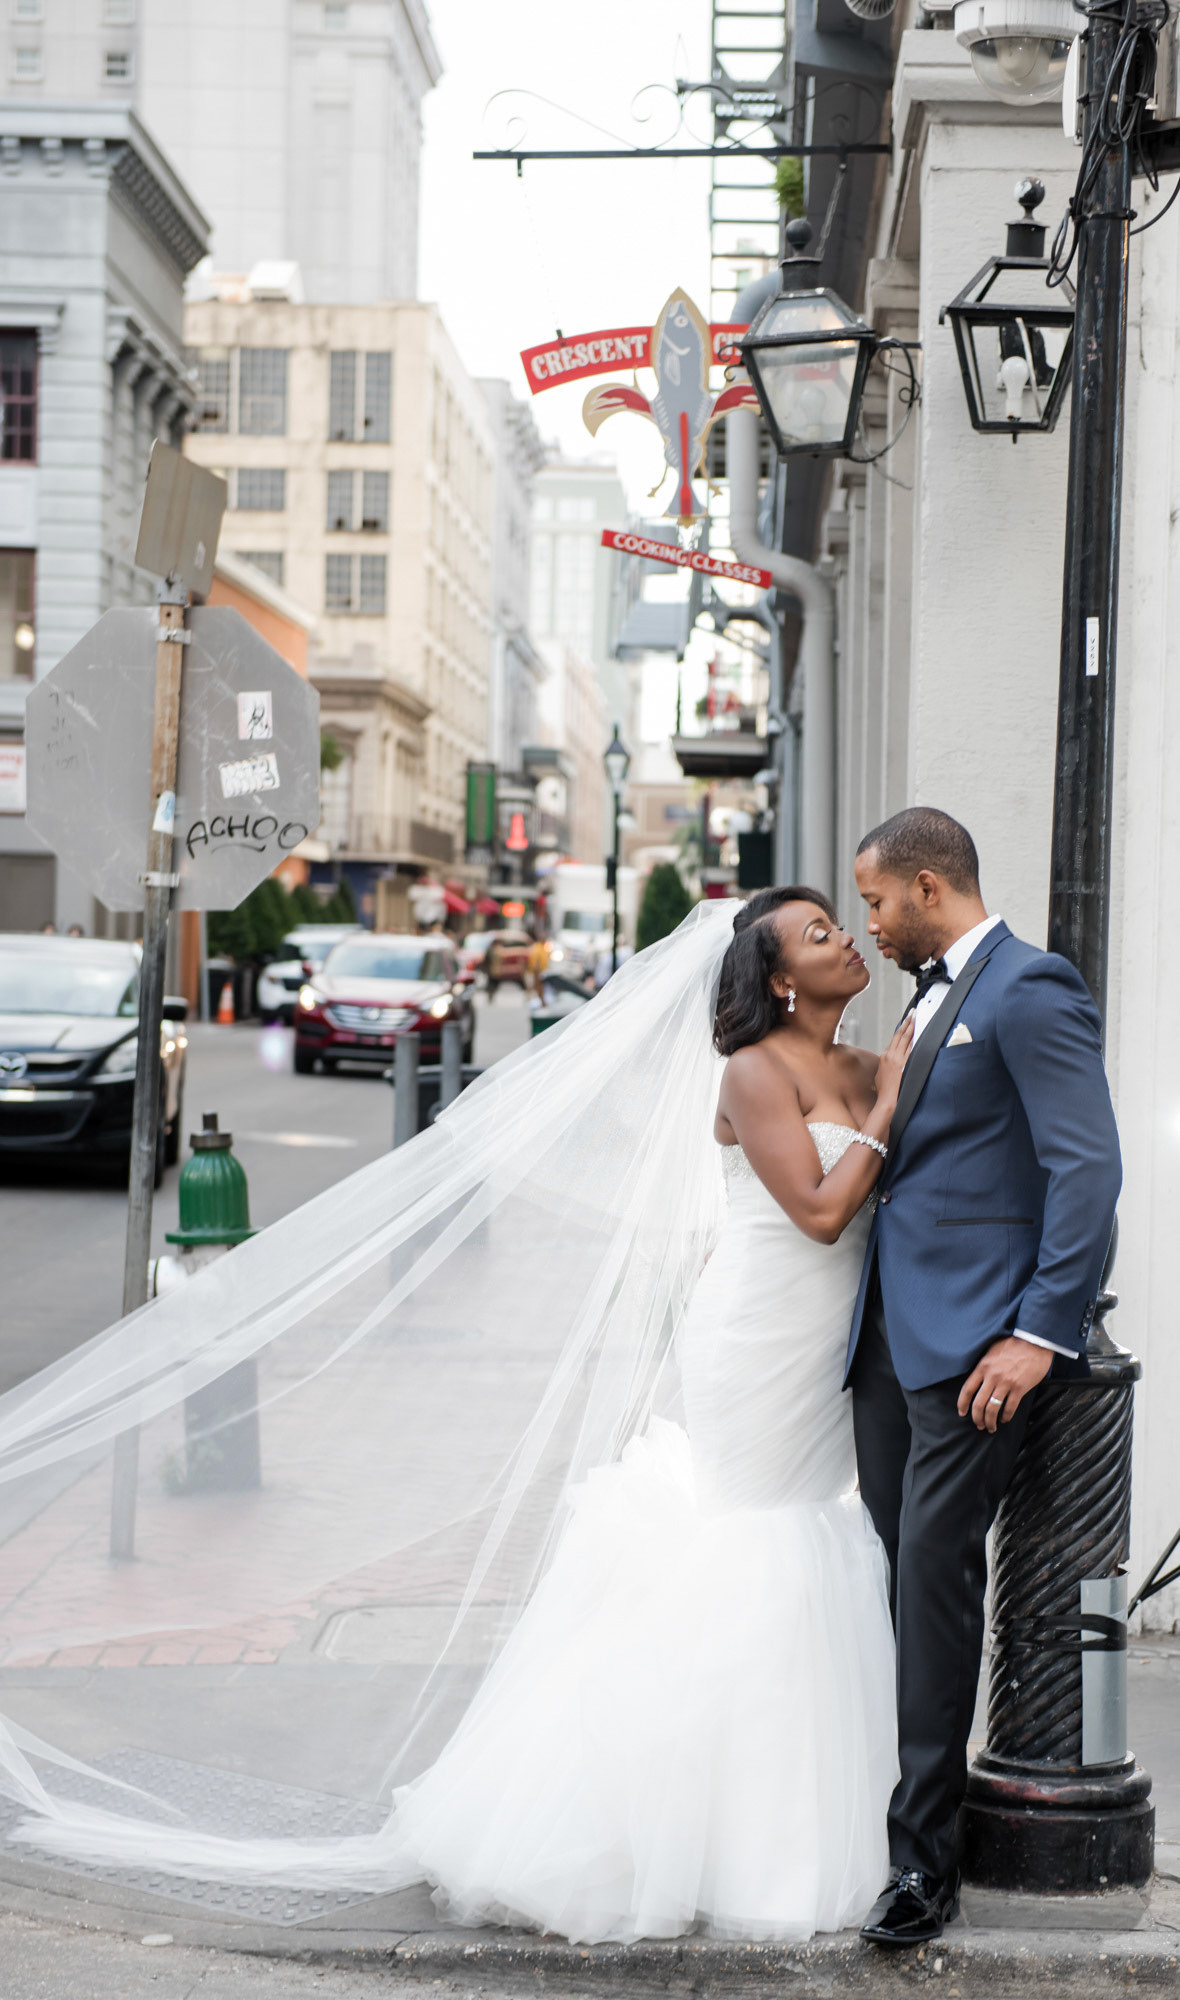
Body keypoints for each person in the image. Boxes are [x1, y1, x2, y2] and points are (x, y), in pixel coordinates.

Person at [0, 890, 908, 1945]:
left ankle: (763, 1814)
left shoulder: (858, 1061)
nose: (846, 937)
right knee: (752, 1538)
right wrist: (886, 1110)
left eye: (842, 923)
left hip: (822, 1348)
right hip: (754, 1339)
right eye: (818, 933)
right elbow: (819, 1208)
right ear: (779, 980)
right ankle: (640, 1827)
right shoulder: (757, 1071)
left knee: (799, 1536)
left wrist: (884, 1090)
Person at [849, 808, 1122, 1948]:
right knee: (889, 1579)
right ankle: (883, 1808)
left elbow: (1086, 1167)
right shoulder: (926, 998)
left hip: (973, 1352)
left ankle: (925, 1863)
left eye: (874, 903)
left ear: (926, 884)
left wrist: (1037, 1332)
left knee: (934, 1587)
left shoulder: (1028, 985)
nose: (868, 926)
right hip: (887, 1341)